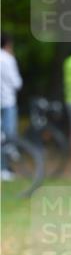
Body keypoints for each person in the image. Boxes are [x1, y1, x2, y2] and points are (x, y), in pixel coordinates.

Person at [1, 32, 23, 180]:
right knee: (9, 137)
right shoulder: (8, 59)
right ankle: (7, 167)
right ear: (8, 44)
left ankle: (3, 169)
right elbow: (17, 83)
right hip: (8, 102)